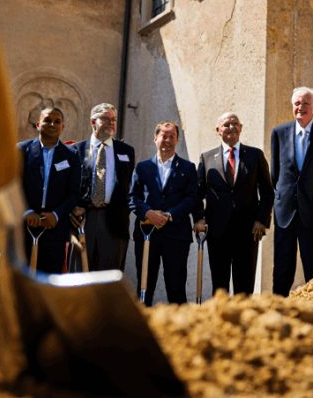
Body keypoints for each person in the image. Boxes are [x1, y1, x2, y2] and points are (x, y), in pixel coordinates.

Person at [194, 112, 273, 295]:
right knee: (219, 286)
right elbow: (197, 193)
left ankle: (244, 315)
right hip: (217, 232)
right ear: (218, 130)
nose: (231, 127)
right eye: (226, 124)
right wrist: (199, 218)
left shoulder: (255, 155)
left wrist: (262, 220)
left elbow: (267, 192)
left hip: (248, 231)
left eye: (235, 123)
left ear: (241, 128)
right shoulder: (207, 158)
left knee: (244, 287)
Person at [269, 87, 313, 296]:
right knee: (282, 270)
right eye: (297, 103)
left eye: (306, 103)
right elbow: (275, 174)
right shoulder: (279, 133)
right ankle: (278, 309)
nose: (301, 107)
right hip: (285, 214)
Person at [129, 121, 198, 305]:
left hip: (176, 235)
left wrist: (169, 215)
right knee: (145, 285)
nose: (167, 140)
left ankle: (179, 322)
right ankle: (143, 321)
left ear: (177, 140)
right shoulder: (142, 167)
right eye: (163, 136)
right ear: (155, 138)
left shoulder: (188, 168)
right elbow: (132, 197)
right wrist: (148, 213)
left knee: (176, 287)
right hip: (147, 234)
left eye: (171, 136)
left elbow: (192, 198)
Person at [70, 103, 137, 272]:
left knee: (109, 275)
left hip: (114, 221)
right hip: (84, 219)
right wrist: (72, 208)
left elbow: (128, 186)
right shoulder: (76, 150)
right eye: (106, 119)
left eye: (114, 119)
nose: (111, 123)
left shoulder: (126, 151)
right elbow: (67, 186)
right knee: (80, 273)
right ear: (93, 122)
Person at [18, 107, 82, 274]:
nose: (52, 124)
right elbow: (13, 186)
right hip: (23, 229)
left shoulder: (71, 155)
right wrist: (27, 212)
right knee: (21, 280)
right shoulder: (21, 150)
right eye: (47, 120)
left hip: (55, 230)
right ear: (38, 124)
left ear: (63, 127)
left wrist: (56, 215)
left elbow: (73, 193)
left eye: (57, 121)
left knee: (50, 281)